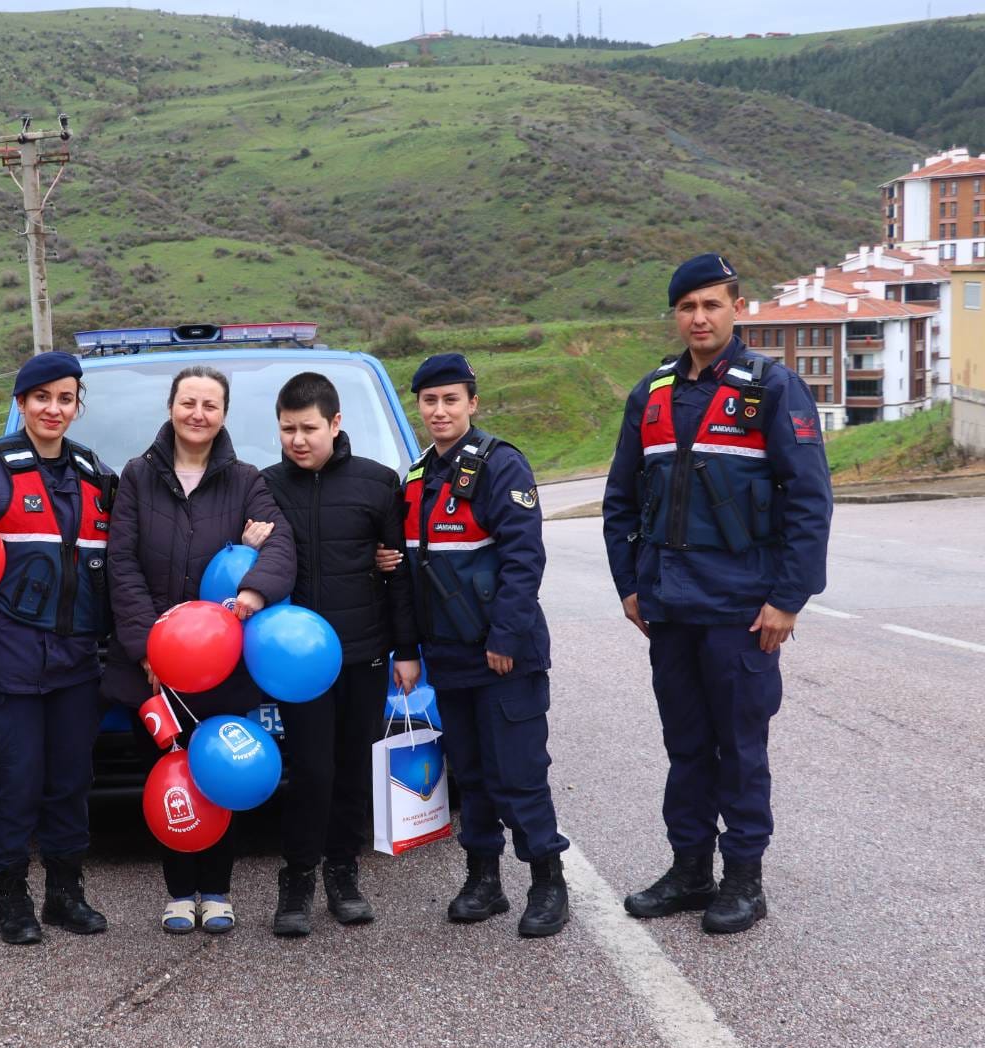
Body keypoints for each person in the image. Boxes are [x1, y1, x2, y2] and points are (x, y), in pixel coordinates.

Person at [602, 254, 831, 935]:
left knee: (741, 746)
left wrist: (789, 598)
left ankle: (744, 880)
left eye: (711, 304)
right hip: (669, 609)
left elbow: (809, 501)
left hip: (741, 610)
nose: (698, 317)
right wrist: (630, 586)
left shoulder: (771, 389)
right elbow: (620, 501)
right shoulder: (651, 393)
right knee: (687, 747)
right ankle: (690, 870)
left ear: (737, 306)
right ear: (675, 315)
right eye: (686, 307)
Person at [104, 364, 296, 935]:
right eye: (188, 402)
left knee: (219, 773)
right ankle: (178, 891)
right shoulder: (137, 477)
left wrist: (252, 591)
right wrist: (149, 648)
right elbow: (122, 564)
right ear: (171, 407)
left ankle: (217, 891)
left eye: (210, 405)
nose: (197, 414)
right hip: (152, 670)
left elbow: (280, 545)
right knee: (166, 773)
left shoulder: (246, 480)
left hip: (220, 665)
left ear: (224, 415)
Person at [398, 352, 570, 939]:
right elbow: (410, 569)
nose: (440, 410)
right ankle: (483, 880)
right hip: (448, 656)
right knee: (469, 775)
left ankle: (548, 882)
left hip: (503, 657)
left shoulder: (502, 467)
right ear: (417, 407)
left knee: (518, 773)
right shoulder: (417, 479)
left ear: (473, 402)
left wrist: (505, 637)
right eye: (430, 400)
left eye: (451, 399)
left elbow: (524, 560)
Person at [0, 351, 116, 945]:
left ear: (77, 406)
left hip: (76, 666)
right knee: (14, 783)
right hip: (5, 665)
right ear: (20, 403)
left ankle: (64, 894)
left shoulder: (96, 476)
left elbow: (113, 571)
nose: (54, 408)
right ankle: (11, 899)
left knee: (70, 781)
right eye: (41, 397)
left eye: (66, 398)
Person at [256, 372, 420, 937]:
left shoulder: (378, 484)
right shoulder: (266, 486)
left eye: (308, 428)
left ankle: (344, 875)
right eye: (287, 429)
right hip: (298, 662)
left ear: (335, 423)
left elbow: (400, 575)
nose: (298, 440)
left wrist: (406, 649)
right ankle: (297, 877)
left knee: (353, 769)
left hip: (365, 652)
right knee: (310, 770)